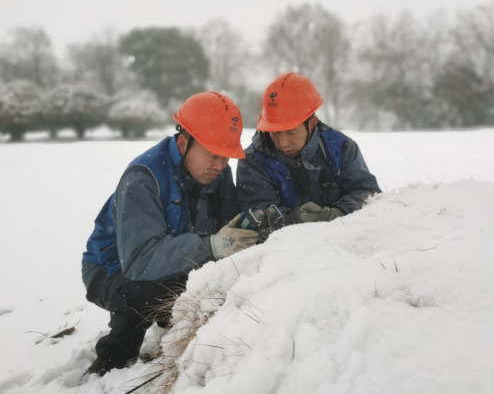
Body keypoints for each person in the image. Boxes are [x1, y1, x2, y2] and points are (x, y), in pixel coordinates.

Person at [81, 92, 259, 376]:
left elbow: (228, 228)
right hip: (112, 269)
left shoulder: (217, 173)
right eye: (213, 154)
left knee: (220, 275)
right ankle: (113, 357)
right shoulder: (143, 176)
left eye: (226, 157)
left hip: (176, 260)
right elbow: (139, 261)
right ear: (183, 142)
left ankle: (174, 320)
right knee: (144, 291)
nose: (220, 164)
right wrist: (212, 245)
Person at [236, 73, 380, 229]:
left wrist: (338, 213)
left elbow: (367, 192)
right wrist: (293, 219)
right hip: (282, 243)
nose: (282, 143)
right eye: (275, 132)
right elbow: (255, 216)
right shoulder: (253, 160)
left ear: (312, 123)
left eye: (291, 132)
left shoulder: (340, 147)